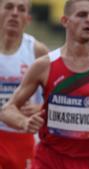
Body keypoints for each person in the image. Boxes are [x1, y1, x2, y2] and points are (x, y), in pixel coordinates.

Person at [0, 0, 89, 168]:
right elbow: (7, 109)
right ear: (65, 21)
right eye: (82, 15)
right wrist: (24, 122)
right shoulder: (44, 65)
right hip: (49, 159)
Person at [0, 0, 48, 169]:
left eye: (21, 9)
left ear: (28, 18)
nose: (14, 13)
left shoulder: (37, 51)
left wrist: (41, 108)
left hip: (23, 135)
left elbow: (59, 95)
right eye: (8, 7)